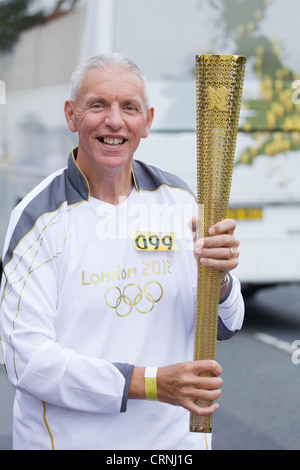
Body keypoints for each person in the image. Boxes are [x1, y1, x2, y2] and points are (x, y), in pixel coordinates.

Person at [0, 53, 244, 450]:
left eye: (128, 107)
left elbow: (227, 325)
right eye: (98, 105)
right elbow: (27, 363)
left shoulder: (179, 202)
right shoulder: (39, 220)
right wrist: (149, 382)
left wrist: (220, 280)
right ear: (71, 116)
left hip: (173, 447)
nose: (114, 121)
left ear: (146, 122)